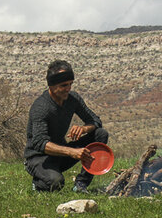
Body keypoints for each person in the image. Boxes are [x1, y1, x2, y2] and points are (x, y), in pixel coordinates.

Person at [25, 59, 110, 192]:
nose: (68, 89)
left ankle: (81, 184)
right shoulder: (41, 107)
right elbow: (40, 143)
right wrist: (72, 152)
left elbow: (95, 120)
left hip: (60, 155)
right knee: (56, 183)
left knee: (100, 134)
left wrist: (83, 129)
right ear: (52, 86)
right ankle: (38, 183)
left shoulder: (73, 99)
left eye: (70, 84)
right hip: (38, 158)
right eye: (64, 85)